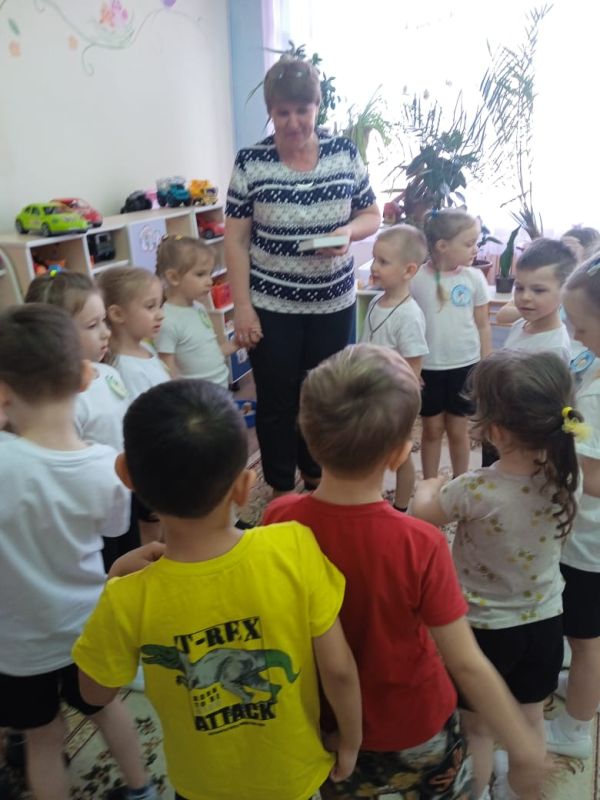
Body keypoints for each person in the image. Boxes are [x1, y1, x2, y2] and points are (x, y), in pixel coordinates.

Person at [264, 344, 547, 800]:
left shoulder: (278, 518)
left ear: (308, 436)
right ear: (400, 454)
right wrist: (522, 741)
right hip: (414, 726)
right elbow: (465, 661)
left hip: (323, 717)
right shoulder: (420, 543)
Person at [72, 378, 363, 800]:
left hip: (200, 784)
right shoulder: (294, 546)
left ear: (126, 475)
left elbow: (93, 693)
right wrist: (351, 741)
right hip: (293, 776)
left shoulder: (127, 595)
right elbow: (338, 670)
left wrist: (114, 578)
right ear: (244, 487)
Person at [0, 304, 154, 800]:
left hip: (17, 640)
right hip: (87, 623)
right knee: (106, 707)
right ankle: (141, 789)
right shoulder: (108, 465)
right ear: (87, 377)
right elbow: (113, 531)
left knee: (43, 740)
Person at [412, 349, 582, 798]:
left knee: (479, 730)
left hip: (483, 630)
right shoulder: (570, 477)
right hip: (545, 623)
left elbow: (423, 513)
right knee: (531, 719)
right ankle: (523, 792)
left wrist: (429, 484)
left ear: (497, 431)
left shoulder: (475, 489)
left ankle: (477, 793)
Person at [225, 55, 381, 495]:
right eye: (282, 113)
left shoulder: (343, 153)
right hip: (271, 305)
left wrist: (348, 232)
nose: (293, 122)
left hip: (333, 303)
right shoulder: (251, 162)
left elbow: (372, 214)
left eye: (302, 110)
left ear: (317, 107)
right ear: (270, 112)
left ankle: (316, 478)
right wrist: (242, 308)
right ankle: (280, 487)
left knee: (325, 396)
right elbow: (235, 240)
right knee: (276, 400)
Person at [24, 271, 138, 569]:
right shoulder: (62, 401)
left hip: (123, 489)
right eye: (92, 325)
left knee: (132, 558)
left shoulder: (108, 373)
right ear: (52, 336)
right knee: (108, 568)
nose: (106, 332)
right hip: (92, 507)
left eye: (104, 321)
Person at [547, 255, 600, 758]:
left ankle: (575, 731)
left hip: (589, 547)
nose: (576, 336)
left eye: (581, 327)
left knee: (587, 642)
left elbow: (595, 477)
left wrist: (556, 460)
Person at [410, 208, 491, 479]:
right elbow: (406, 325)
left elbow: (483, 323)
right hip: (428, 369)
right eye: (469, 243)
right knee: (432, 430)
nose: (475, 249)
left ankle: (460, 482)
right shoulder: (415, 280)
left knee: (458, 430)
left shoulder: (474, 278)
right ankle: (429, 484)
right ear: (442, 246)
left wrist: (485, 363)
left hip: (464, 366)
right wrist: (411, 367)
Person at [360, 224, 428, 511]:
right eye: (374, 259)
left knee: (401, 455)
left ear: (409, 270)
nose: (374, 267)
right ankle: (370, 501)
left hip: (395, 400)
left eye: (383, 262)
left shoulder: (409, 315)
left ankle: (400, 507)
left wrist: (401, 406)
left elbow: (413, 367)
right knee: (372, 453)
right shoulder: (376, 301)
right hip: (370, 394)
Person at [154, 235, 237, 387]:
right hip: (197, 395)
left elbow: (207, 354)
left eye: (210, 274)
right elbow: (167, 370)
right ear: (173, 277)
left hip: (220, 388)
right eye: (200, 274)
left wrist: (235, 344)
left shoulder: (199, 308)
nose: (210, 281)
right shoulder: (166, 321)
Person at [97, 266, 169, 398]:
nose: (161, 315)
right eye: (150, 307)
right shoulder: (128, 370)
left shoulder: (145, 347)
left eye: (160, 305)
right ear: (117, 314)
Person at [501, 238, 575, 364]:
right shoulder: (519, 324)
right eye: (519, 288)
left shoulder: (555, 349)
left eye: (538, 290)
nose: (525, 297)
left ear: (564, 292)